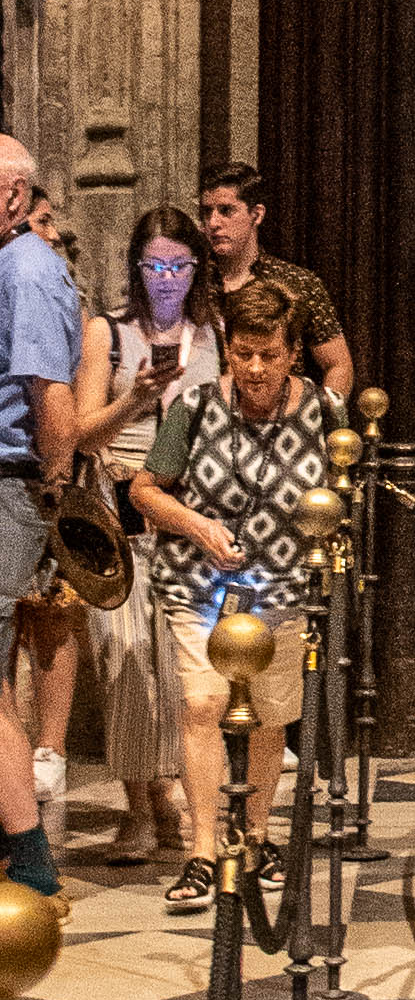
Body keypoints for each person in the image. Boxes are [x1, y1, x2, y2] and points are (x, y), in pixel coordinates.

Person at [133, 282, 335, 905]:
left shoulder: (325, 413)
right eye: (242, 354)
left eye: (268, 355)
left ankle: (256, 837)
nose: (253, 369)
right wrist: (196, 524)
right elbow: (145, 489)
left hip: (281, 587)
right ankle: (201, 850)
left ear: (293, 351)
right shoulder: (192, 408)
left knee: (272, 716)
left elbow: (342, 498)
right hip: (201, 586)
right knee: (204, 704)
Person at [82, 208, 217, 874]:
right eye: (154, 266)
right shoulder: (106, 332)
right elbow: (80, 434)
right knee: (129, 662)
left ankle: (187, 810)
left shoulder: (215, 334)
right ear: (137, 268)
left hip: (194, 517)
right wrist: (135, 398)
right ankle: (139, 808)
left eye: (179, 265)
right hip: (123, 518)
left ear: (197, 269)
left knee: (187, 672)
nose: (167, 279)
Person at [0, 140, 84, 899]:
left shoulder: (27, 269)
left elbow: (51, 399)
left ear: (13, 198)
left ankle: (28, 854)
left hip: (7, 485)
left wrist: (50, 491)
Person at [197, 166, 355, 407]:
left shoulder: (296, 283)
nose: (213, 222)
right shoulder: (194, 283)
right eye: (206, 212)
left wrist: (317, 420)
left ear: (256, 214)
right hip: (211, 420)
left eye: (226, 210)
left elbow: (338, 364)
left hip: (283, 421)